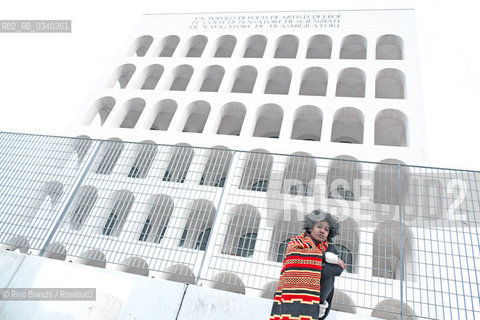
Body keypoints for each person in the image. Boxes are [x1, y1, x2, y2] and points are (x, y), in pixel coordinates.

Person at [269, 209, 346, 320]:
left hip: (318, 299)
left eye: (326, 229)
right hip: (292, 293)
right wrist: (324, 258)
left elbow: (338, 269)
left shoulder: (330, 248)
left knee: (329, 278)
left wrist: (309, 266)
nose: (322, 231)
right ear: (310, 228)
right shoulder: (296, 243)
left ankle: (319, 304)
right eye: (319, 227)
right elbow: (293, 262)